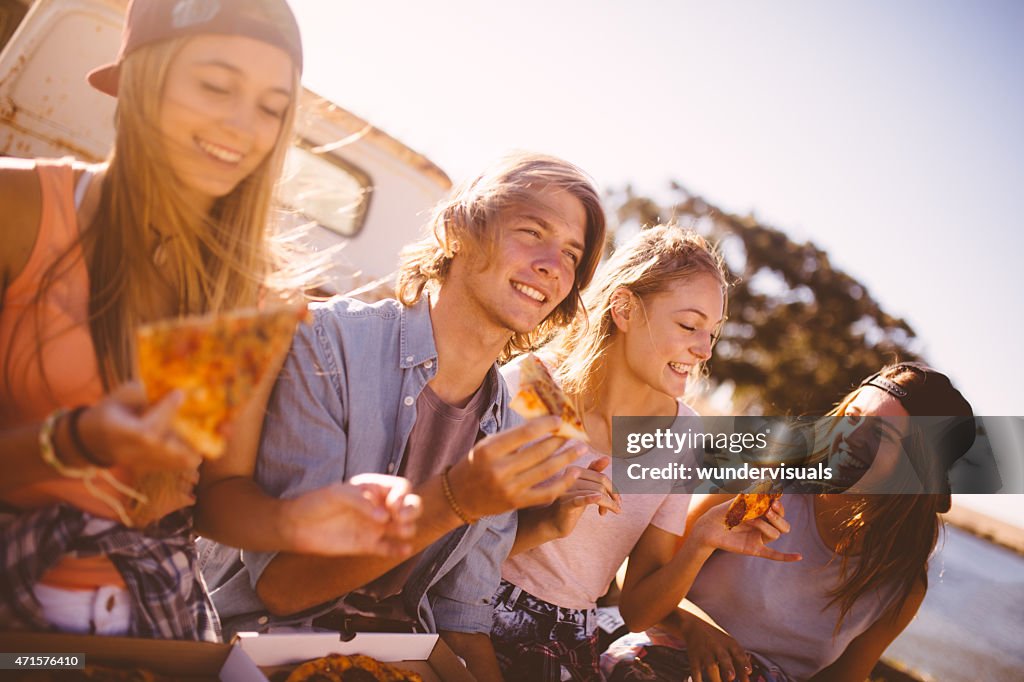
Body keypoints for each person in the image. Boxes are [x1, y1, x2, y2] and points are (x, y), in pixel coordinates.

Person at [0, 0, 416, 641]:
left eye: (271, 108)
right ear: (144, 74)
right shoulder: (19, 208)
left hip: (149, 617)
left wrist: (293, 524)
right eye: (216, 86)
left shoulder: (254, 297)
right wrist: (75, 442)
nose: (241, 126)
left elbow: (218, 492)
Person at [199, 151, 607, 680]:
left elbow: (462, 617)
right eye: (532, 231)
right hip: (261, 647)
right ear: (460, 228)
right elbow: (282, 589)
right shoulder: (326, 345)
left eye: (572, 254)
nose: (554, 264)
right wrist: (455, 500)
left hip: (396, 655)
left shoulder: (510, 421)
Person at [490, 225, 801, 682]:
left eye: (712, 333)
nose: (702, 349)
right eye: (689, 325)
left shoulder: (684, 433)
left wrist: (700, 543)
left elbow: (636, 611)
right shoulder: (538, 385)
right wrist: (548, 522)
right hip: (472, 605)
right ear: (623, 309)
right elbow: (458, 545)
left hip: (569, 639)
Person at [603, 362, 975, 682]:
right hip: (656, 656)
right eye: (853, 417)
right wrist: (695, 627)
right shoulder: (761, 479)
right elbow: (637, 579)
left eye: (881, 435)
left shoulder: (901, 582)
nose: (851, 438)